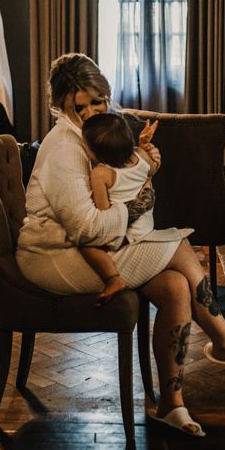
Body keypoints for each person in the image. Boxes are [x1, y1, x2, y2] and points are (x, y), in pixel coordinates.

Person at [16, 53, 225, 438]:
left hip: (95, 248)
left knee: (176, 287)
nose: (91, 112)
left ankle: (171, 404)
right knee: (178, 245)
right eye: (80, 107)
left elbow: (133, 203)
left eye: (98, 100)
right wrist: (139, 192)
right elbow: (90, 229)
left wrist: (145, 169)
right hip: (54, 257)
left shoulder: (107, 131)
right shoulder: (64, 148)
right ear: (61, 107)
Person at [79, 112, 160, 306]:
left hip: (125, 234)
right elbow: (152, 171)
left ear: (93, 152)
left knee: (86, 245)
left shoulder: (100, 174)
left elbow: (105, 212)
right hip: (147, 226)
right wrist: (145, 149)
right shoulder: (140, 155)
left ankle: (112, 279)